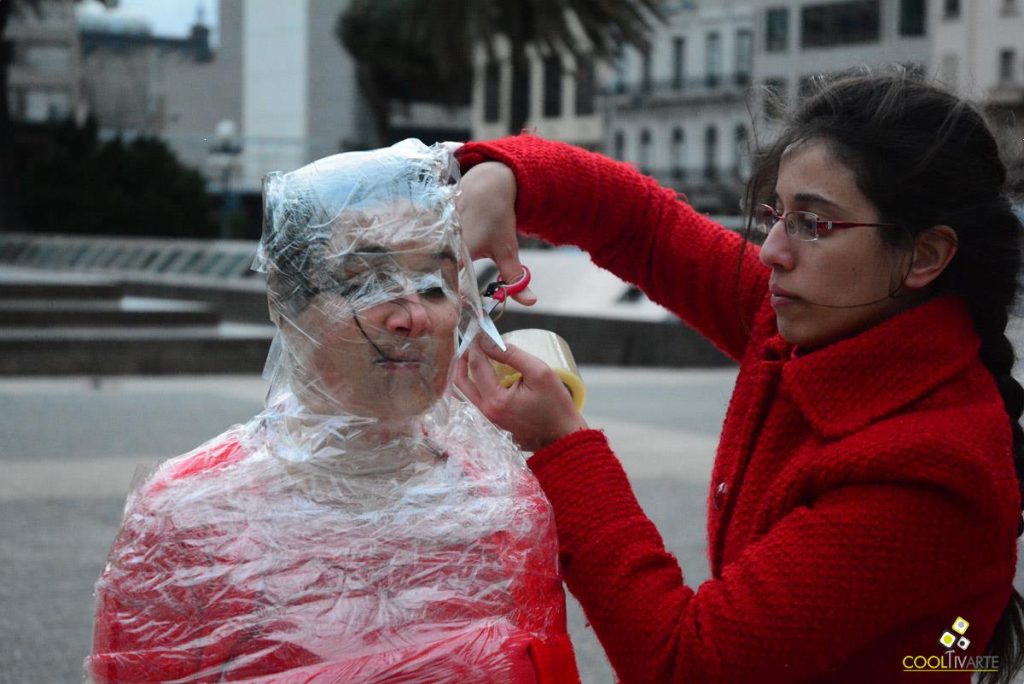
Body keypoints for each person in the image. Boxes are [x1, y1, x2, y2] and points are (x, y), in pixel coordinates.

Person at [453, 70, 1024, 683]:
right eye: (777, 213)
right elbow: (644, 225)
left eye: (815, 224)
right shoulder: (813, 326)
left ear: (927, 255)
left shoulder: (928, 472)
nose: (774, 250)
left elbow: (686, 664)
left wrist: (560, 445)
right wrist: (510, 174)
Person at [85, 140, 580, 683]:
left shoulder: (502, 504)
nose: (411, 316)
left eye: (433, 284)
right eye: (365, 282)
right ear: (284, 301)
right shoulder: (188, 518)